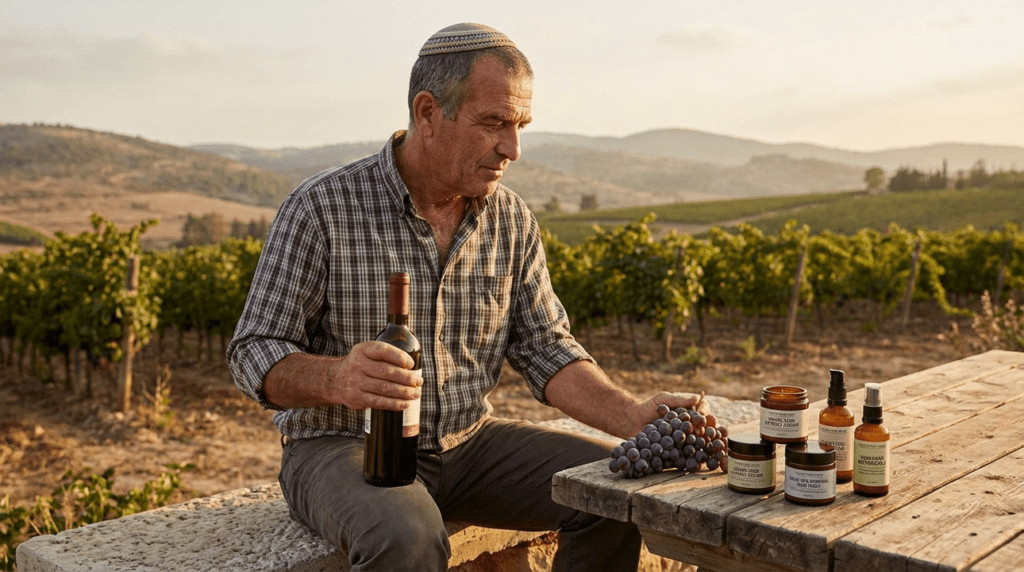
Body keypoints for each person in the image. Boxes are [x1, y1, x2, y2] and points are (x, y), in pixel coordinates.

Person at [227, 22, 714, 572]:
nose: (513, 147)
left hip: (469, 445)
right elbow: (253, 350)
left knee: (610, 495)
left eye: (520, 124)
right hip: (342, 448)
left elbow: (545, 348)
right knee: (405, 538)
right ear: (428, 113)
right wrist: (337, 377)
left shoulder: (510, 219)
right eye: (493, 123)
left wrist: (631, 414)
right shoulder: (322, 208)